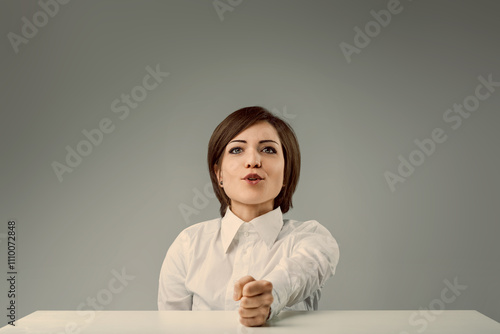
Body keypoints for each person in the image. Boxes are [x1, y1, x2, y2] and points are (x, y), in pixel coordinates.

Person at [158, 106, 340, 327]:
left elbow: (302, 271)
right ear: (219, 174)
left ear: (286, 173)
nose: (253, 160)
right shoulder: (188, 245)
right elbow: (170, 328)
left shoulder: (311, 238)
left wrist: (269, 296)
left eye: (268, 150)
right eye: (236, 150)